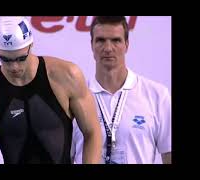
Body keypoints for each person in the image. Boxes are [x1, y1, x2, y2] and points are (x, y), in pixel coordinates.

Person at [0, 16, 102, 164]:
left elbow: (92, 132)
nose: (14, 67)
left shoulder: (66, 76)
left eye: (21, 58)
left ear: (31, 45)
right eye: (6, 59)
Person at [71, 16, 171, 164]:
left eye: (116, 40)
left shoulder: (157, 95)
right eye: (100, 40)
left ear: (127, 45)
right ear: (91, 45)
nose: (108, 48)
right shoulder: (74, 99)